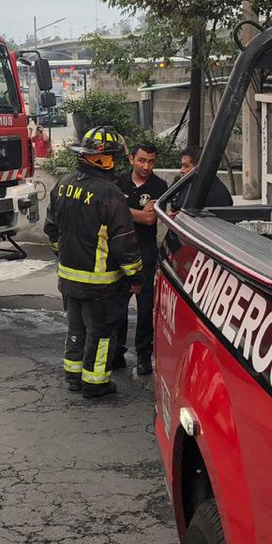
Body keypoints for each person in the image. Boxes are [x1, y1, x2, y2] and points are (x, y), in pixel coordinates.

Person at [44, 126, 143, 398]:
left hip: (68, 279)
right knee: (100, 333)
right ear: (105, 159)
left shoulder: (63, 184)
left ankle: (74, 377)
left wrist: (63, 256)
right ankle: (95, 383)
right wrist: (136, 276)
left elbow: (51, 230)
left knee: (75, 328)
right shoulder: (110, 194)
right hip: (100, 285)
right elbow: (124, 242)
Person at [115, 142, 169, 376]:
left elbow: (150, 220)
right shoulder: (117, 182)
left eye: (151, 161)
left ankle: (144, 356)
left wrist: (123, 211)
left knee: (146, 306)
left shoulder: (160, 186)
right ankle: (116, 352)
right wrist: (138, 213)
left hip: (145, 250)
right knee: (118, 304)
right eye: (142, 160)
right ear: (131, 159)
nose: (146, 166)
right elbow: (111, 212)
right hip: (119, 249)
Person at [169, 145, 234, 216]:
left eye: (186, 166)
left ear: (200, 167)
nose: (181, 170)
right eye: (182, 166)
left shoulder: (218, 195)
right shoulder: (186, 185)